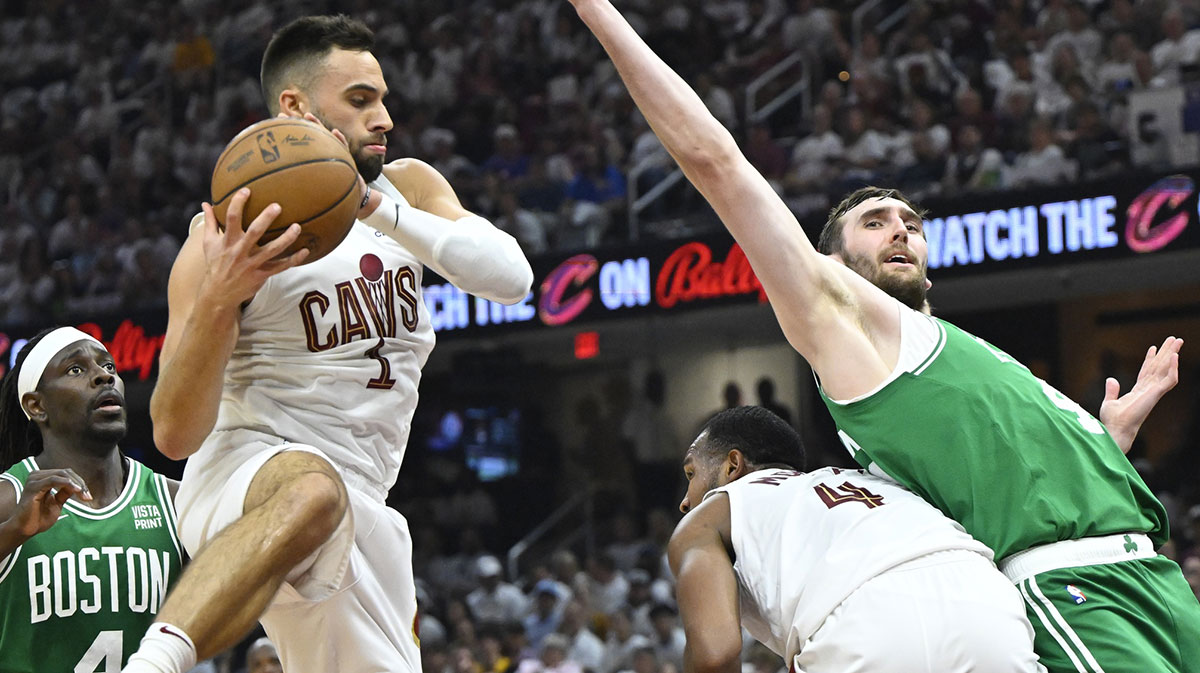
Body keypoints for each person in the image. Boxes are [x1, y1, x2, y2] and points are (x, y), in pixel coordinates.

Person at [566, 1, 1200, 670]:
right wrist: (599, 11)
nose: (901, 227)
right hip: (1075, 593)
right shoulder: (854, 343)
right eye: (874, 221)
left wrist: (1100, 443)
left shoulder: (952, 354)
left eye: (911, 221)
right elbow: (715, 161)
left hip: (1152, 577)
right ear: (833, 267)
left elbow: (986, 485)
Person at [123, 15, 533, 673]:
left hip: (364, 497)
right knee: (313, 490)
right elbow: (173, 433)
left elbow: (513, 278)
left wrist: (371, 205)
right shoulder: (225, 235)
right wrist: (219, 300)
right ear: (297, 107)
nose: (385, 118)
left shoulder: (409, 189)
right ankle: (153, 664)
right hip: (248, 474)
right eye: (362, 100)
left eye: (384, 98)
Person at [671, 406, 1042, 672]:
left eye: (691, 473)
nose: (686, 500)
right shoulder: (865, 479)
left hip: (864, 624)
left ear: (733, 465)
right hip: (987, 606)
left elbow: (715, 657)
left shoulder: (712, 513)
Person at [0, 327, 184, 672]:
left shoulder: (173, 500)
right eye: (76, 369)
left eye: (109, 367)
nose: (103, 376)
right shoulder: (9, 497)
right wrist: (12, 531)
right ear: (36, 405)